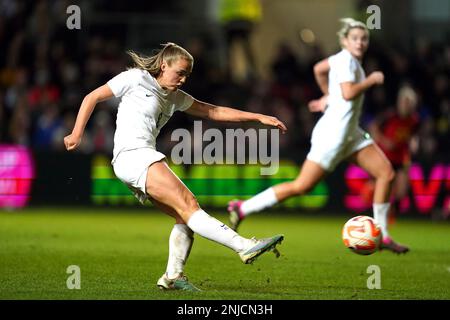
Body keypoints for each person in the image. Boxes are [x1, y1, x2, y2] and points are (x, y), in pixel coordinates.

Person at [64, 42, 287, 291]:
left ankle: (172, 277)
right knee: (190, 205)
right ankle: (244, 246)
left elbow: (213, 111)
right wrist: (76, 134)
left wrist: (257, 117)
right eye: (179, 72)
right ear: (163, 65)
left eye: (187, 75)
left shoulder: (176, 97)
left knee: (184, 216)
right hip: (133, 155)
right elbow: (92, 96)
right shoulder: (135, 78)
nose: (182, 79)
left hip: (138, 158)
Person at [227, 18, 409, 254]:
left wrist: (327, 96)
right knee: (301, 186)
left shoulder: (342, 60)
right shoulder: (348, 63)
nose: (360, 42)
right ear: (345, 41)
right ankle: (242, 207)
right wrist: (371, 80)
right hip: (333, 135)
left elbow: (319, 69)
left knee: (386, 173)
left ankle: (382, 234)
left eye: (364, 38)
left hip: (350, 133)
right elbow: (348, 91)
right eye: (355, 38)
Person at [367, 85, 420, 217]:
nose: (406, 105)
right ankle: (377, 213)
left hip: (400, 158)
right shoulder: (390, 116)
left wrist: (413, 142)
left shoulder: (414, 120)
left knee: (401, 190)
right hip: (384, 157)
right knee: (383, 187)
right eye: (404, 101)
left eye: (409, 102)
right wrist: (384, 141)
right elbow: (373, 127)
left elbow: (412, 136)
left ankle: (392, 214)